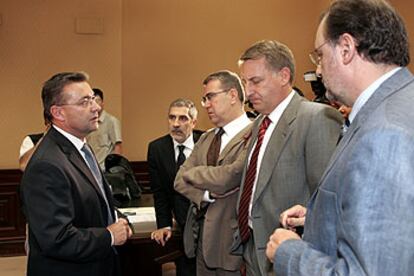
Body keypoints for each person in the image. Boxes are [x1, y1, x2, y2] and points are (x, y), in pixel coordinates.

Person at [266, 0, 414, 275]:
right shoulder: (400, 103)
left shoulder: (384, 135)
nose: (318, 71)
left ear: (346, 49)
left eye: (319, 56)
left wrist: (289, 252)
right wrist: (322, 217)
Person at [233, 40, 343, 275]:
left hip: (291, 255)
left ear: (284, 76)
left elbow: (327, 203)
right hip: (253, 248)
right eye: (244, 82)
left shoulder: (317, 118)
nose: (248, 91)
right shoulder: (260, 123)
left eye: (255, 81)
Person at [20, 72, 132, 276]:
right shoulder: (46, 164)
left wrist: (119, 220)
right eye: (85, 102)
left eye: (93, 99)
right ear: (58, 113)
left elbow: (94, 200)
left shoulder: (81, 148)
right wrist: (109, 236)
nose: (96, 107)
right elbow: (57, 238)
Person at [175, 70, 252, 275]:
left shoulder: (254, 135)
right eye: (204, 99)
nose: (206, 104)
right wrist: (205, 195)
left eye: (211, 97)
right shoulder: (207, 138)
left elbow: (230, 176)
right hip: (202, 241)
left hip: (234, 247)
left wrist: (195, 173)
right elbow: (179, 180)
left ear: (233, 95)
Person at [148, 98, 202, 276]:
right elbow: (159, 192)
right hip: (181, 224)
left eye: (183, 119)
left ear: (193, 122)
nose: (176, 124)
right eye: (172, 118)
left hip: (208, 221)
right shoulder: (157, 148)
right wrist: (164, 225)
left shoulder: (206, 141)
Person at [87, 88, 122, 169]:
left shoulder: (112, 121)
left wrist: (113, 168)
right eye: (92, 101)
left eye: (98, 100)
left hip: (105, 169)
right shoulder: (87, 122)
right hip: (91, 168)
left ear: (103, 103)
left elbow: (118, 147)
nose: (95, 104)